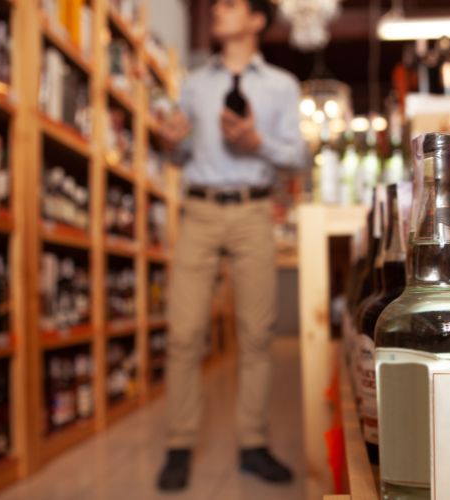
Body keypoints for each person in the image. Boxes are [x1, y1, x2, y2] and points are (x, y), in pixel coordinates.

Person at [155, 0, 308, 491]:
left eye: (229, 4)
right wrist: (169, 141)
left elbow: (299, 157)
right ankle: (179, 444)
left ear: (256, 20)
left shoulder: (282, 86)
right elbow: (179, 153)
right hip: (198, 211)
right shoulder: (194, 83)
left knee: (257, 334)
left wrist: (254, 142)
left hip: (253, 211)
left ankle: (253, 444)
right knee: (183, 332)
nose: (218, 11)